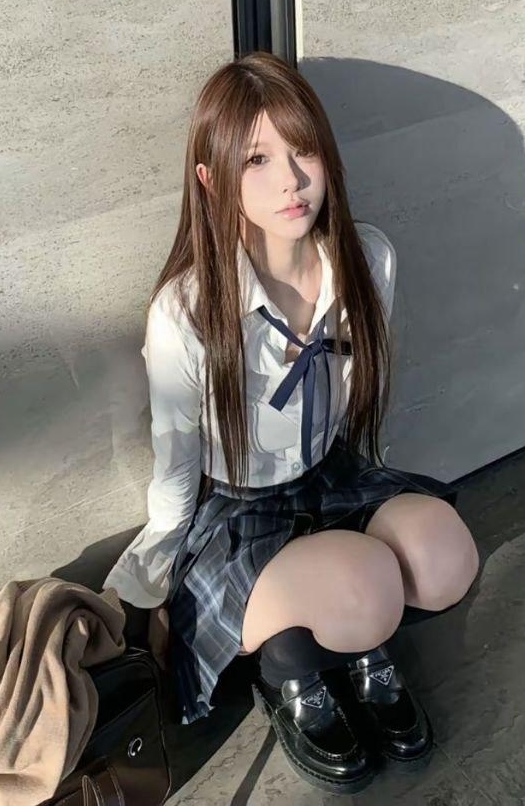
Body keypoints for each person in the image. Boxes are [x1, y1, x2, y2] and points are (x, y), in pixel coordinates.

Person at [103, 51, 480, 794]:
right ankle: (292, 669)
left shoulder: (367, 260)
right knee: (365, 586)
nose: (290, 180)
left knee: (444, 560)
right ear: (212, 179)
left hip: (328, 477)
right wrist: (149, 586)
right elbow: (175, 468)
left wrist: (379, 502)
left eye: (302, 150)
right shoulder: (187, 310)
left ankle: (349, 632)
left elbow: (357, 401)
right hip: (236, 510)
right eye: (257, 160)